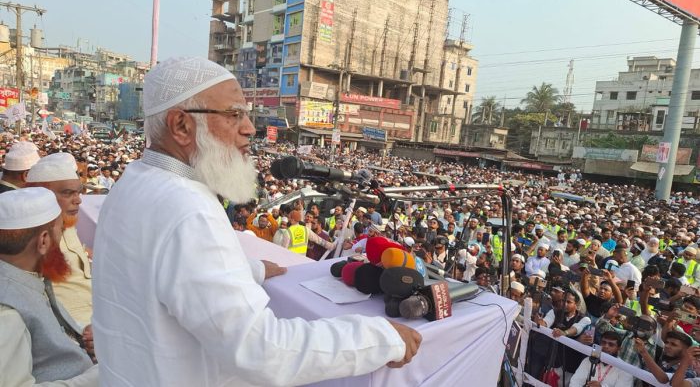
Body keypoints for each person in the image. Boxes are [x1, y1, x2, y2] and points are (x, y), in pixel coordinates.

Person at [92, 57, 421, 386]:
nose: (250, 127)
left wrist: (248, 269)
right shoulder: (187, 208)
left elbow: (158, 270)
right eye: (234, 115)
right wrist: (380, 338)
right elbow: (262, 351)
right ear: (181, 126)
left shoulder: (135, 180)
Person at [0, 187, 98, 385]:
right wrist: (98, 376)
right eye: (60, 230)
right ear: (44, 240)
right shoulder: (8, 312)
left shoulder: (25, 277)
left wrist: (83, 336)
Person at [26, 152, 94, 327]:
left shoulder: (67, 225)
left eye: (78, 192)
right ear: (41, 195)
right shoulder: (30, 238)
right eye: (67, 193)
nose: (78, 200)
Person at [569, 331, 633, 387]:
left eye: (611, 344)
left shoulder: (625, 369)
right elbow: (576, 382)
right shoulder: (589, 359)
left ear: (619, 349)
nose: (606, 346)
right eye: (603, 342)